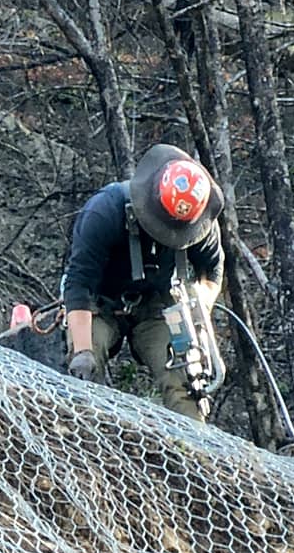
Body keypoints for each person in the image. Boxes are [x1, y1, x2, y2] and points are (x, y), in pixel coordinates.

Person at [62, 144, 225, 421]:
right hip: (99, 303)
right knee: (84, 373)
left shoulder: (202, 226)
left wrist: (195, 319)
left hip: (157, 306)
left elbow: (211, 275)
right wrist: (82, 351)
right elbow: (78, 285)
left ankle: (194, 454)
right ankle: (84, 440)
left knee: (186, 380)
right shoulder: (105, 211)